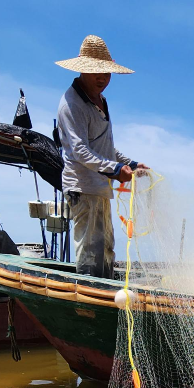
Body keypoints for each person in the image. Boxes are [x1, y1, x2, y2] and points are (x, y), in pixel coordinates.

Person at [55, 35, 149, 278]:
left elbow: (105, 147)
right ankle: (87, 305)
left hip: (99, 188)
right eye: (96, 72)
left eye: (106, 73)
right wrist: (116, 171)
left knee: (106, 248)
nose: (103, 78)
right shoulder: (72, 104)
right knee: (90, 251)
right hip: (83, 188)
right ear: (82, 71)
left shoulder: (100, 101)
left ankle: (103, 297)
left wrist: (131, 164)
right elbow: (80, 151)